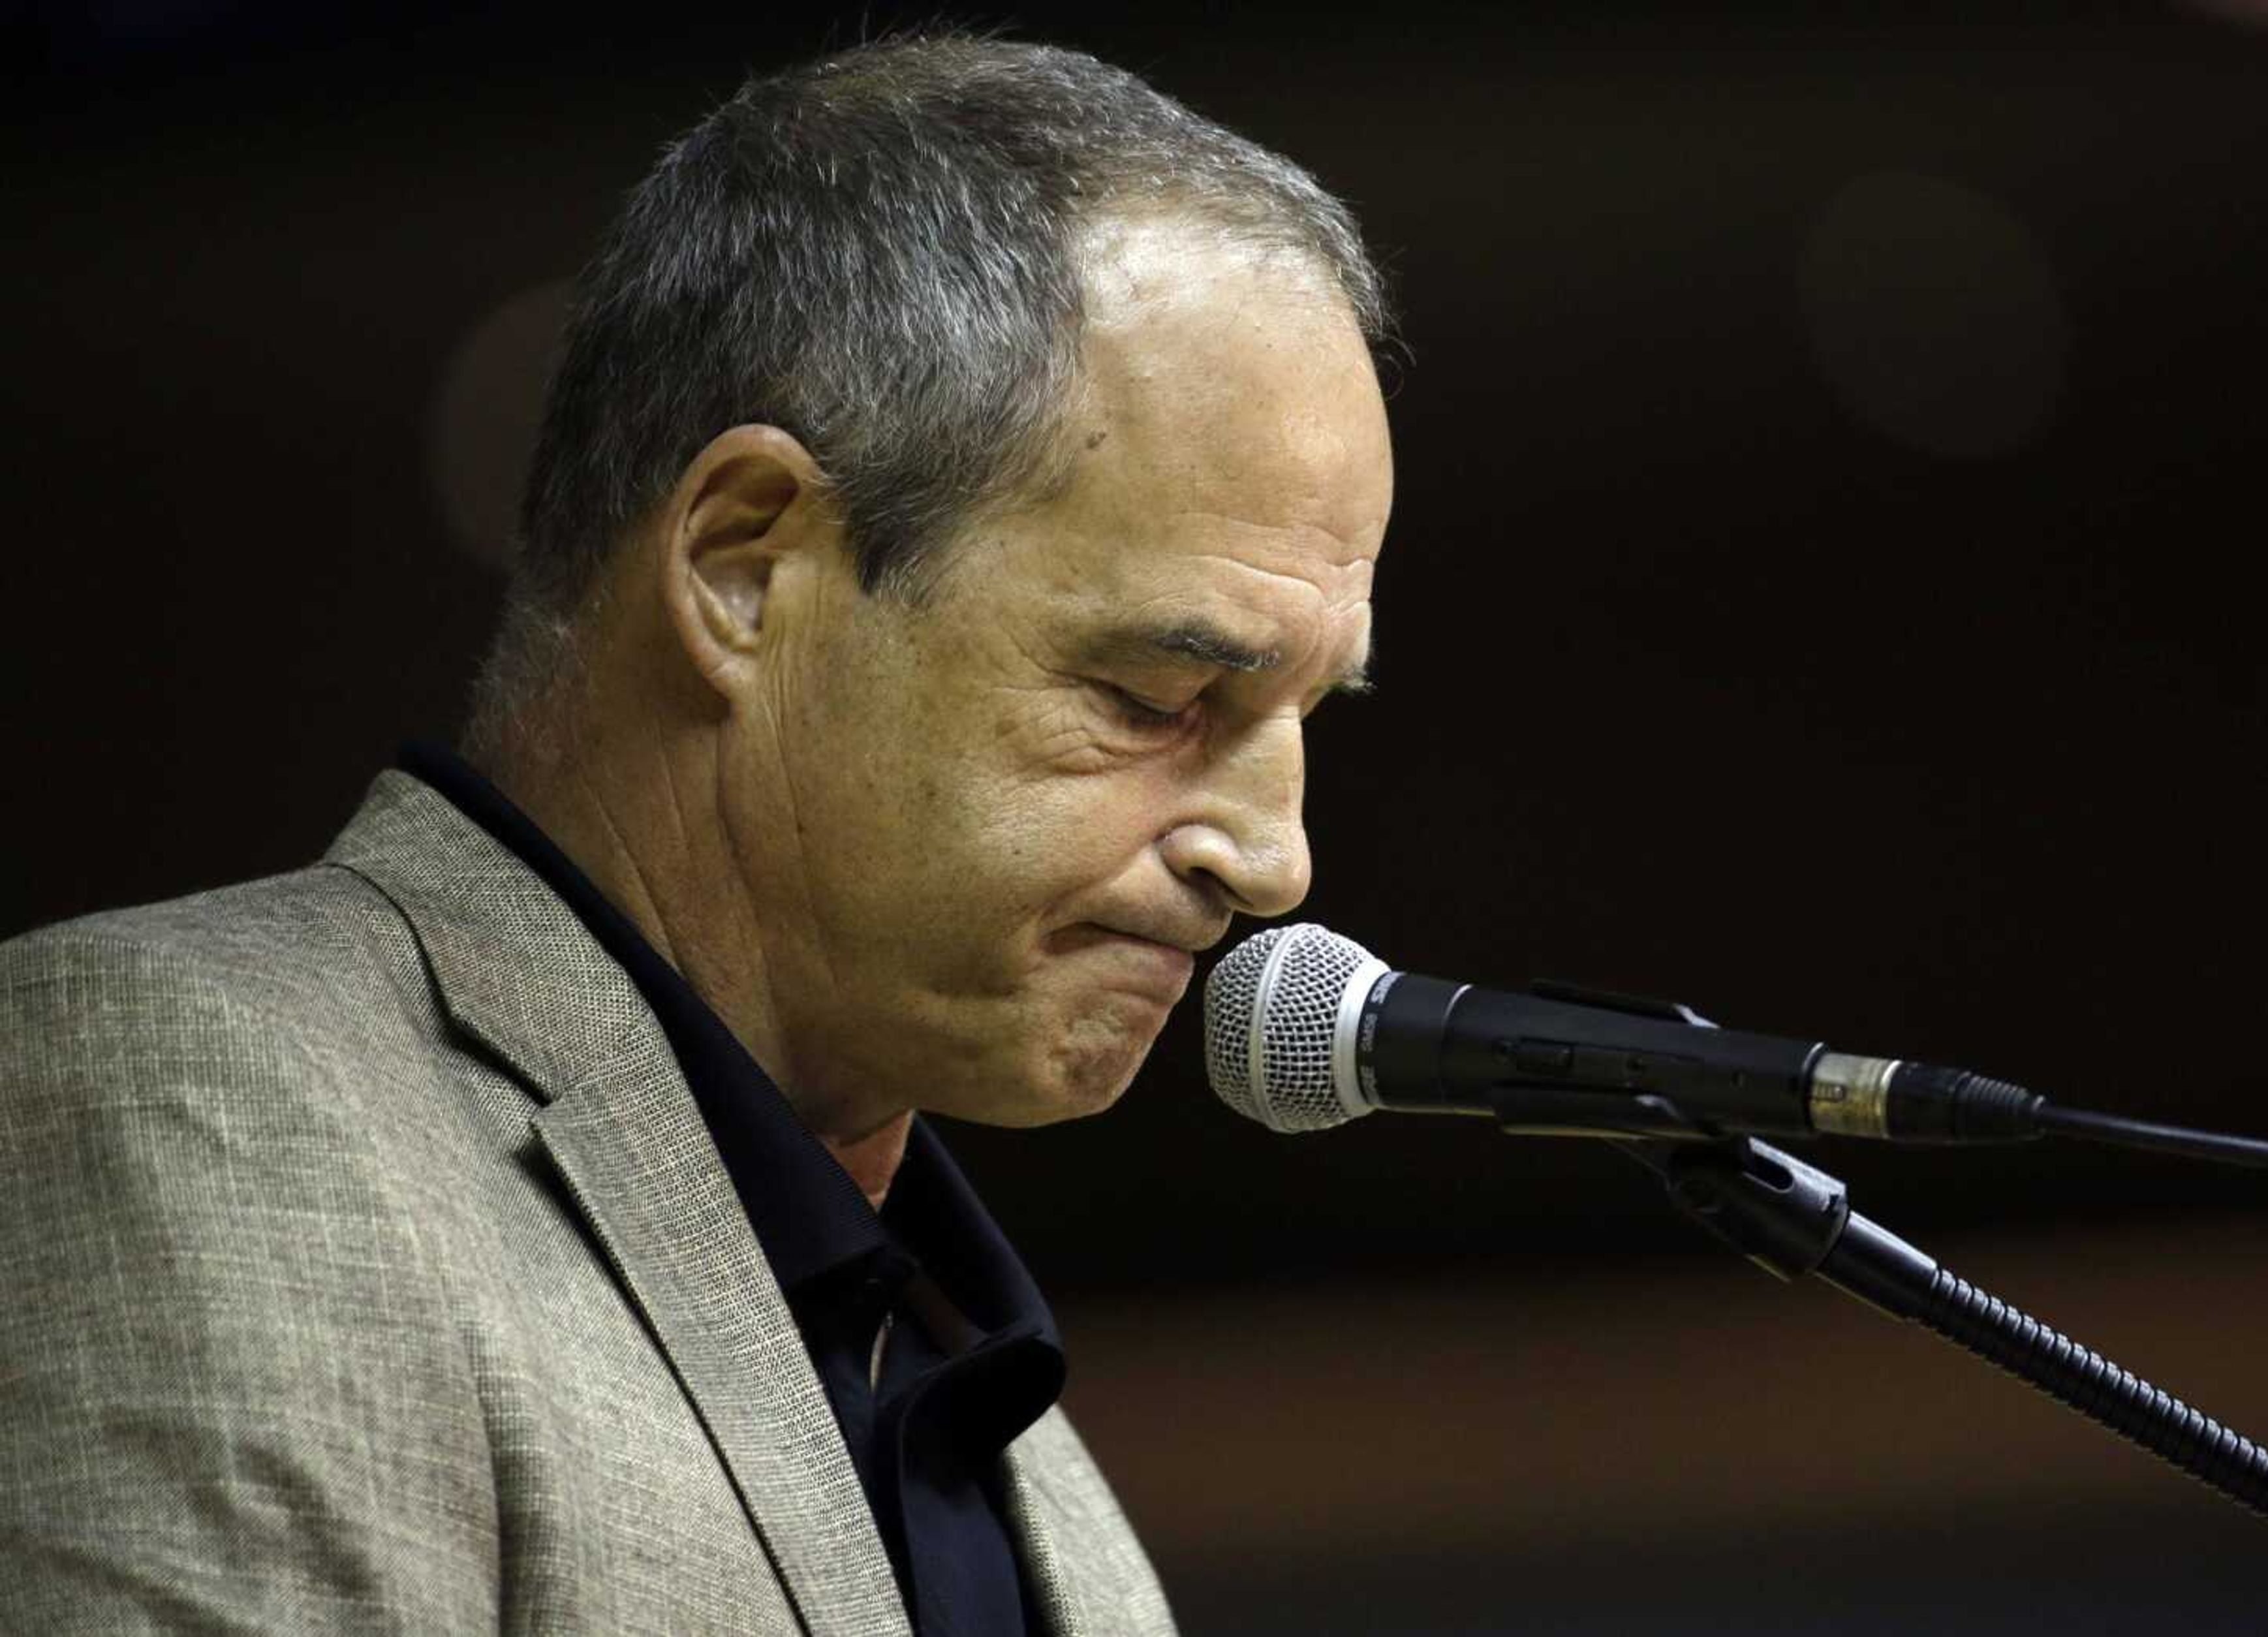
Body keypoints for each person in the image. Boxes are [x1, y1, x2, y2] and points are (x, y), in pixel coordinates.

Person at [0, 33, 1393, 1635]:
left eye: (1307, 714)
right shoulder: (188, 1100)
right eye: (1158, 693)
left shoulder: (998, 1418)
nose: (1272, 864)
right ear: (745, 566)